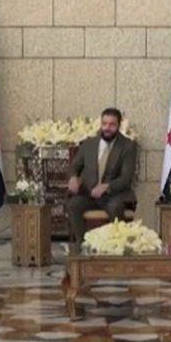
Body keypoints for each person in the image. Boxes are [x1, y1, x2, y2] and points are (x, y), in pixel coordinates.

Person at [66, 108, 138, 252]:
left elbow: (126, 178)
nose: (107, 128)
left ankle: (116, 247)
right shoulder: (89, 144)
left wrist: (106, 186)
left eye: (112, 125)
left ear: (119, 125)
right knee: (73, 204)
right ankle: (84, 245)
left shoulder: (128, 146)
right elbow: (74, 166)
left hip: (114, 195)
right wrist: (73, 178)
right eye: (104, 124)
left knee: (114, 207)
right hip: (90, 194)